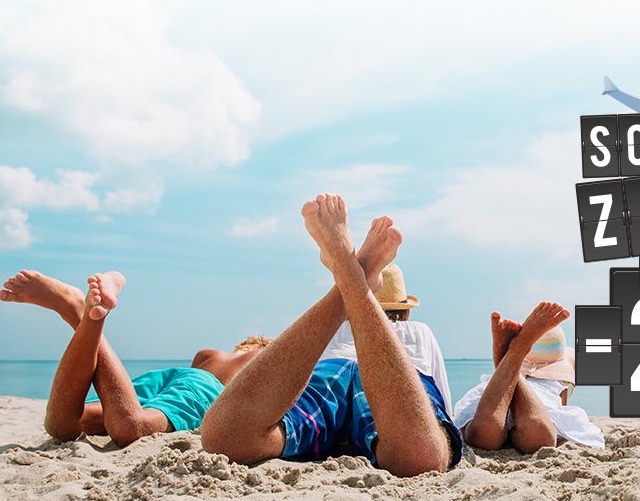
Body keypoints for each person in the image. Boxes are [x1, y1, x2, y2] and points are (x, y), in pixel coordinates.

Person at [197, 194, 461, 477]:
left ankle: (347, 272)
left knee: (226, 438)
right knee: (420, 455)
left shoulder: (334, 326)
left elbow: (300, 371)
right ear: (405, 313)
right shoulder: (419, 330)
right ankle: (352, 274)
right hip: (393, 383)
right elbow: (441, 402)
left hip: (331, 370)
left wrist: (349, 291)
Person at [0, 269, 265, 446]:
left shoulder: (207, 355)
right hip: (208, 387)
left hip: (169, 378)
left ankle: (74, 306)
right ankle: (77, 312)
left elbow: (178, 390)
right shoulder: (259, 356)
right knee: (131, 427)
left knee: (64, 426)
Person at [454, 310, 606, 453]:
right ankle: (517, 352)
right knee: (540, 438)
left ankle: (510, 360)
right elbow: (561, 406)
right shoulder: (555, 383)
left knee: (480, 435)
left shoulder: (491, 385)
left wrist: (507, 366)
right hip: (535, 404)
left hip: (494, 393)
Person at [318, 263, 451, 413]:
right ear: (405, 313)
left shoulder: (335, 331)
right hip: (404, 404)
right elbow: (440, 388)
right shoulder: (418, 331)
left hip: (339, 400)